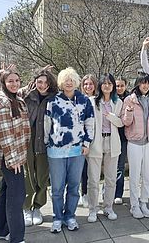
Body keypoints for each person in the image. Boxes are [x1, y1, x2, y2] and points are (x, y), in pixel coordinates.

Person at [44, 67, 94, 233]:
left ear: (76, 81)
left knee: (74, 186)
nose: (69, 82)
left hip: (77, 151)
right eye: (66, 79)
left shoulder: (84, 101)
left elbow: (90, 123)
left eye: (72, 79)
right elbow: (47, 124)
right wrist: (47, 143)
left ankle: (70, 216)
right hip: (56, 152)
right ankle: (57, 217)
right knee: (57, 188)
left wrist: (87, 144)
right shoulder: (53, 101)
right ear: (61, 82)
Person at [0, 69, 31, 243]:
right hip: (10, 158)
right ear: (3, 83)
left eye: (17, 80)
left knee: (7, 192)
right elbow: (3, 133)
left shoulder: (17, 99)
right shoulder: (1, 102)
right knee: (17, 196)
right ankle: (17, 237)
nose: (14, 84)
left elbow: (28, 88)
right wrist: (13, 159)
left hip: (19, 154)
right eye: (10, 81)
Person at [122, 72, 149, 219]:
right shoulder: (130, 100)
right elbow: (126, 122)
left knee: (147, 174)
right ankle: (134, 205)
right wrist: (129, 111)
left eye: (147, 83)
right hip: (134, 142)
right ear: (137, 84)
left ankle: (144, 202)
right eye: (142, 82)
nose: (145, 85)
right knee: (134, 175)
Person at [19, 68, 58, 226]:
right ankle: (26, 207)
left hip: (45, 139)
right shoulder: (26, 95)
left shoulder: (54, 97)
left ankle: (37, 207)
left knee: (42, 176)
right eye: (39, 82)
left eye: (46, 82)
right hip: (28, 138)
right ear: (34, 82)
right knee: (28, 175)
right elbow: (9, 91)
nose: (42, 85)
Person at [87, 74, 123, 223]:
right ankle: (93, 209)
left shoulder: (118, 102)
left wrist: (112, 117)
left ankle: (108, 207)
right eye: (104, 83)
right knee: (93, 179)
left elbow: (121, 123)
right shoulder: (92, 101)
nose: (107, 86)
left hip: (112, 141)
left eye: (110, 83)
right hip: (96, 141)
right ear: (100, 86)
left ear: (113, 86)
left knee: (111, 178)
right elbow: (87, 123)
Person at [78, 74, 97, 208]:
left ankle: (92, 194)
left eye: (91, 84)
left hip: (97, 138)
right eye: (85, 84)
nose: (88, 86)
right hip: (82, 139)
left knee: (93, 170)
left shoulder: (98, 100)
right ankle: (83, 193)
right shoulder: (79, 99)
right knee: (82, 169)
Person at [114, 77, 129, 204]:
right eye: (117, 86)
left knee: (120, 166)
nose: (119, 88)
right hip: (111, 136)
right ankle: (107, 191)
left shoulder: (130, 99)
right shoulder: (110, 98)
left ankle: (118, 193)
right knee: (109, 166)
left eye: (121, 85)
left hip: (124, 137)